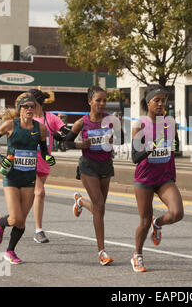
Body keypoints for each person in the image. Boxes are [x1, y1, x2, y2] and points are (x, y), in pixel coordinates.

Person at [0, 92, 56, 264]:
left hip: (29, 177)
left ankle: (10, 251)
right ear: (20, 109)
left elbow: (43, 149)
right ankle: (1, 223)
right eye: (26, 106)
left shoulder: (40, 128)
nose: (30, 109)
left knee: (22, 221)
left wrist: (48, 158)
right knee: (15, 218)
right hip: (11, 176)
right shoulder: (10, 125)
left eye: (32, 106)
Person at [65, 86, 121, 266]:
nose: (102, 104)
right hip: (88, 166)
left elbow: (118, 139)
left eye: (104, 100)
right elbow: (66, 143)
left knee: (100, 209)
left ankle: (80, 202)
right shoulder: (81, 123)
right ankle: (102, 251)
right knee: (99, 205)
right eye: (98, 100)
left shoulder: (110, 120)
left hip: (105, 165)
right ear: (90, 101)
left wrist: (113, 140)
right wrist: (81, 145)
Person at [130, 84, 184, 273]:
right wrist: (149, 149)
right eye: (157, 100)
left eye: (163, 100)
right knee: (144, 221)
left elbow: (176, 148)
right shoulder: (139, 125)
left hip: (164, 177)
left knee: (177, 213)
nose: (161, 104)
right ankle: (137, 255)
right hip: (145, 178)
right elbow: (134, 157)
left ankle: (158, 223)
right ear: (148, 102)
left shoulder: (170, 122)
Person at [29, 89, 69, 243]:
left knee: (32, 198)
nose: (27, 106)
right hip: (27, 163)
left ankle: (8, 220)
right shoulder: (26, 118)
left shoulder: (50, 118)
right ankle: (39, 231)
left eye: (30, 102)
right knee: (39, 193)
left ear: (36, 102)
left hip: (44, 163)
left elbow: (65, 130)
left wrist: (64, 134)